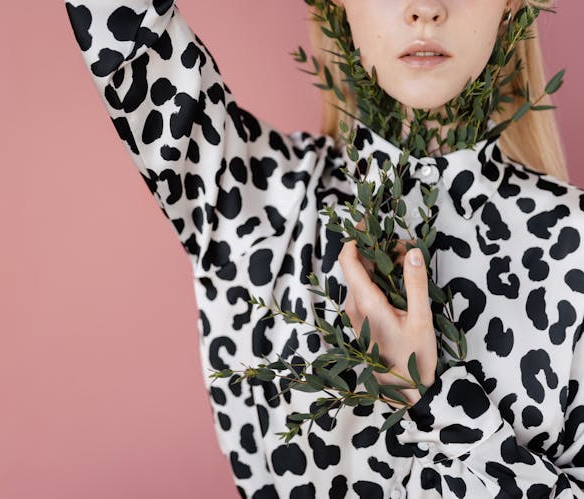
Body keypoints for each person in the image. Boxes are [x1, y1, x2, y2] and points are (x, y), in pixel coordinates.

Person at [63, 0, 584, 497]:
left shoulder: (575, 241)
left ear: (512, 5)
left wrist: (434, 402)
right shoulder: (255, 199)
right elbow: (126, 36)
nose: (426, 8)